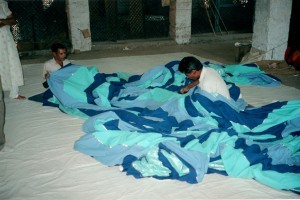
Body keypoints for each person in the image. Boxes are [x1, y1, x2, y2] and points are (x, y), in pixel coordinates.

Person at [0, 0, 26, 100]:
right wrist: (4, 21)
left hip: (6, 38)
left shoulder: (2, 3)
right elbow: (8, 21)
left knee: (12, 63)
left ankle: (14, 93)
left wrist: (2, 22)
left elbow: (13, 20)